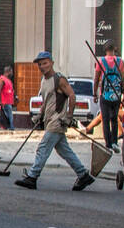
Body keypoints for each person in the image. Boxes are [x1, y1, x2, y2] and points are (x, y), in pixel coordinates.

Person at [15, 51, 95, 191]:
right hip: (49, 120)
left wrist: (68, 117)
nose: (42, 66)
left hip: (58, 121)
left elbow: (72, 96)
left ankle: (32, 177)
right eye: (39, 64)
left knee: (43, 148)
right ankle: (83, 175)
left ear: (51, 63)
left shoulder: (59, 79)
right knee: (65, 151)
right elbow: (46, 102)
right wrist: (40, 115)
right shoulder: (44, 81)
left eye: (45, 63)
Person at [94, 43, 124, 152]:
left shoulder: (101, 61)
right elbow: (122, 80)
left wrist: (95, 94)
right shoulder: (120, 62)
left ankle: (108, 144)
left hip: (105, 95)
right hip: (116, 95)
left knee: (105, 119)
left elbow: (96, 78)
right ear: (115, 49)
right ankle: (114, 142)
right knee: (114, 119)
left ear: (105, 50)